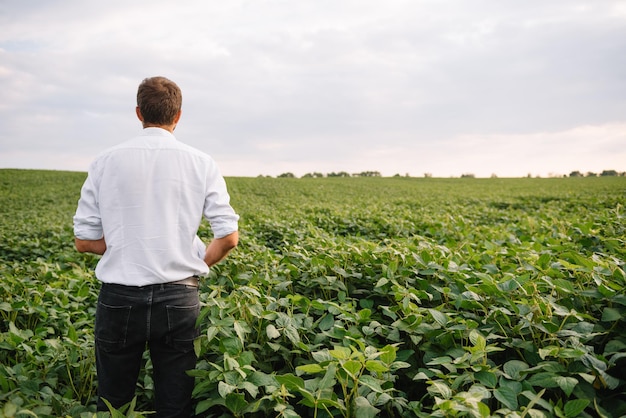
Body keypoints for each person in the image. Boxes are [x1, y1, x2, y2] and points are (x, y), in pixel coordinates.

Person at [73, 76, 239, 417]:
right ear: (177, 115)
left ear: (138, 113)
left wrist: (125, 245)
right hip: (179, 298)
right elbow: (228, 236)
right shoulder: (201, 162)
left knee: (114, 403)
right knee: (175, 403)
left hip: (120, 298)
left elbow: (84, 241)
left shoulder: (105, 161)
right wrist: (199, 263)